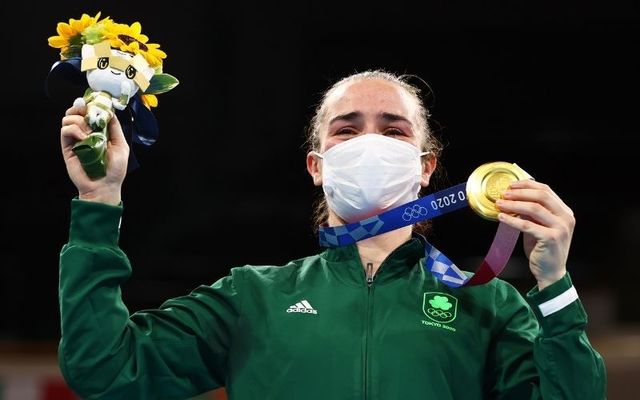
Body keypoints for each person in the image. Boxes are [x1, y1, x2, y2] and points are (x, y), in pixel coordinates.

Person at [58, 70, 606, 400]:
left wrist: (554, 285)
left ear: (426, 165)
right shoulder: (252, 298)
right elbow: (105, 370)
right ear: (317, 166)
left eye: (393, 130)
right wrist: (99, 202)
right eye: (347, 130)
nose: (370, 141)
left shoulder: (489, 305)